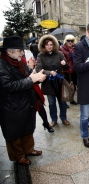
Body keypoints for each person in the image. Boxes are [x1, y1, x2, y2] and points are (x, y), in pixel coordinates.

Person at [0, 36, 46, 166]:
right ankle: (18, 156)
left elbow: (28, 76)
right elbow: (9, 86)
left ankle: (28, 149)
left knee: (27, 128)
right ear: (9, 51)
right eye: (20, 50)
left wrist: (36, 77)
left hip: (25, 103)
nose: (22, 53)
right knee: (14, 133)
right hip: (11, 106)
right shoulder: (2, 65)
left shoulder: (18, 61)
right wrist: (31, 79)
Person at [36, 34, 71, 127]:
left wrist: (64, 64)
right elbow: (38, 70)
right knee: (51, 103)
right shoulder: (40, 55)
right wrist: (49, 72)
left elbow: (67, 67)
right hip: (48, 84)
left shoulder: (59, 54)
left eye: (51, 44)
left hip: (60, 83)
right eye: (47, 45)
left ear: (54, 45)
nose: (49, 46)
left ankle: (63, 118)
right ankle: (54, 119)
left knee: (63, 102)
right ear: (43, 46)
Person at [60, 34, 78, 105]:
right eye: (68, 40)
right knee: (66, 87)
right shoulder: (62, 49)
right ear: (65, 41)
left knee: (73, 86)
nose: (70, 42)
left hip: (74, 70)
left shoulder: (75, 49)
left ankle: (71, 99)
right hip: (66, 71)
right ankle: (64, 102)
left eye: (72, 40)